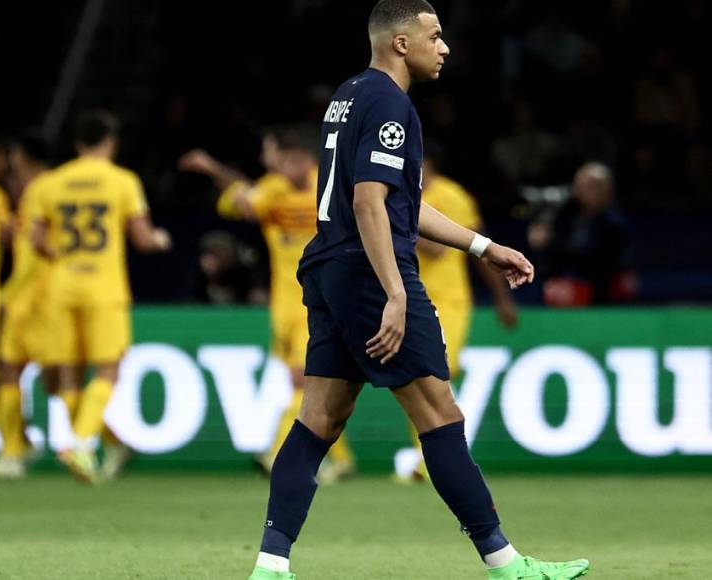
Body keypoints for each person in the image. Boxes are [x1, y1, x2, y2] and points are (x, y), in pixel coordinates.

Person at [248, 2, 590, 579]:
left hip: (330, 265)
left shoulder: (348, 95)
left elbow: (400, 199)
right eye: (434, 36)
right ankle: (507, 565)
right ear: (402, 43)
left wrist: (483, 247)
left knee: (318, 420)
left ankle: (271, 566)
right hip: (368, 271)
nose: (445, 47)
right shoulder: (390, 104)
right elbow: (368, 202)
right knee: (439, 414)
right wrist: (396, 294)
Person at [179, 127, 357, 483]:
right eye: (284, 161)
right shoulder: (273, 190)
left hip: (324, 300)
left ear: (310, 161)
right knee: (311, 382)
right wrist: (215, 170)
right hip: (286, 303)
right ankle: (342, 458)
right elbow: (244, 200)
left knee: (304, 381)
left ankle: (278, 452)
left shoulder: (331, 185)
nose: (288, 168)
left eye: (296, 161)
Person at [31, 110, 171, 483]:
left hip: (61, 287)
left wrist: (62, 255)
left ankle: (101, 443)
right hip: (103, 287)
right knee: (108, 370)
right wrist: (159, 240)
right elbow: (142, 238)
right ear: (110, 142)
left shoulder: (50, 183)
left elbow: (36, 241)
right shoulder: (122, 181)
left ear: (77, 143)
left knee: (69, 375)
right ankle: (81, 443)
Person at [396, 142, 519, 483]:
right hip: (407, 297)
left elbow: (450, 249)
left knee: (435, 374)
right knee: (417, 376)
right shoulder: (398, 194)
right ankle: (427, 457)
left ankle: (436, 458)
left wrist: (502, 299)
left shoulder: (452, 196)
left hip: (448, 301)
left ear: (426, 163)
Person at [0, 131, 52, 478]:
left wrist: (7, 294)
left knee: (14, 370)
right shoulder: (52, 188)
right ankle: (18, 447)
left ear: (22, 157)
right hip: (45, 294)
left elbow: (33, 254)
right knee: (54, 377)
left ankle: (14, 451)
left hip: (31, 296)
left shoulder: (37, 191)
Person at [527, 161, 633, 306]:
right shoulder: (569, 215)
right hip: (568, 285)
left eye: (589, 186)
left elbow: (596, 262)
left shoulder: (614, 223)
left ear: (607, 190)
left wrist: (550, 242)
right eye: (579, 185)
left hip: (601, 295)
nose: (579, 191)